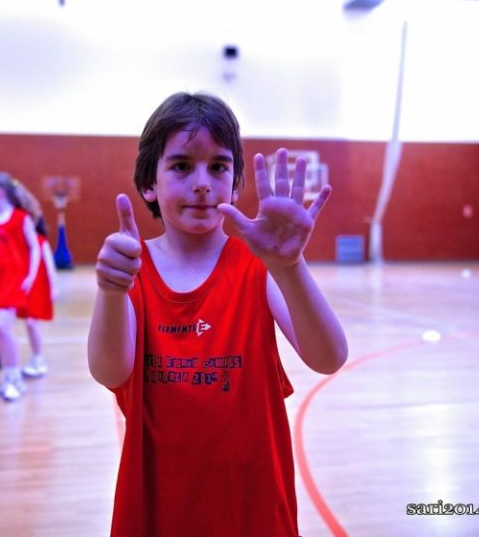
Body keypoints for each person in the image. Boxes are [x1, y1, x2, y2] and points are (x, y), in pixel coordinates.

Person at [87, 92, 348, 537]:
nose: (202, 183)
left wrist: (289, 266)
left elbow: (329, 357)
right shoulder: (132, 270)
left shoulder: (258, 267)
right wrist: (112, 291)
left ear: (236, 182)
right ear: (149, 183)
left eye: (218, 166)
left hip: (253, 508)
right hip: (157, 507)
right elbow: (109, 371)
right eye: (181, 165)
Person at [0, 172, 41, 401]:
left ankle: (16, 379)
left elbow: (34, 247)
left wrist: (31, 275)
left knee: (3, 327)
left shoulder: (20, 218)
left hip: (13, 280)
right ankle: (8, 375)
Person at [17, 216, 58, 378]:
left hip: (39, 288)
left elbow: (50, 265)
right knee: (29, 324)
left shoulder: (41, 241)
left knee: (31, 323)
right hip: (27, 288)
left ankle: (39, 360)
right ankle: (36, 357)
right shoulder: (22, 243)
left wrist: (54, 287)